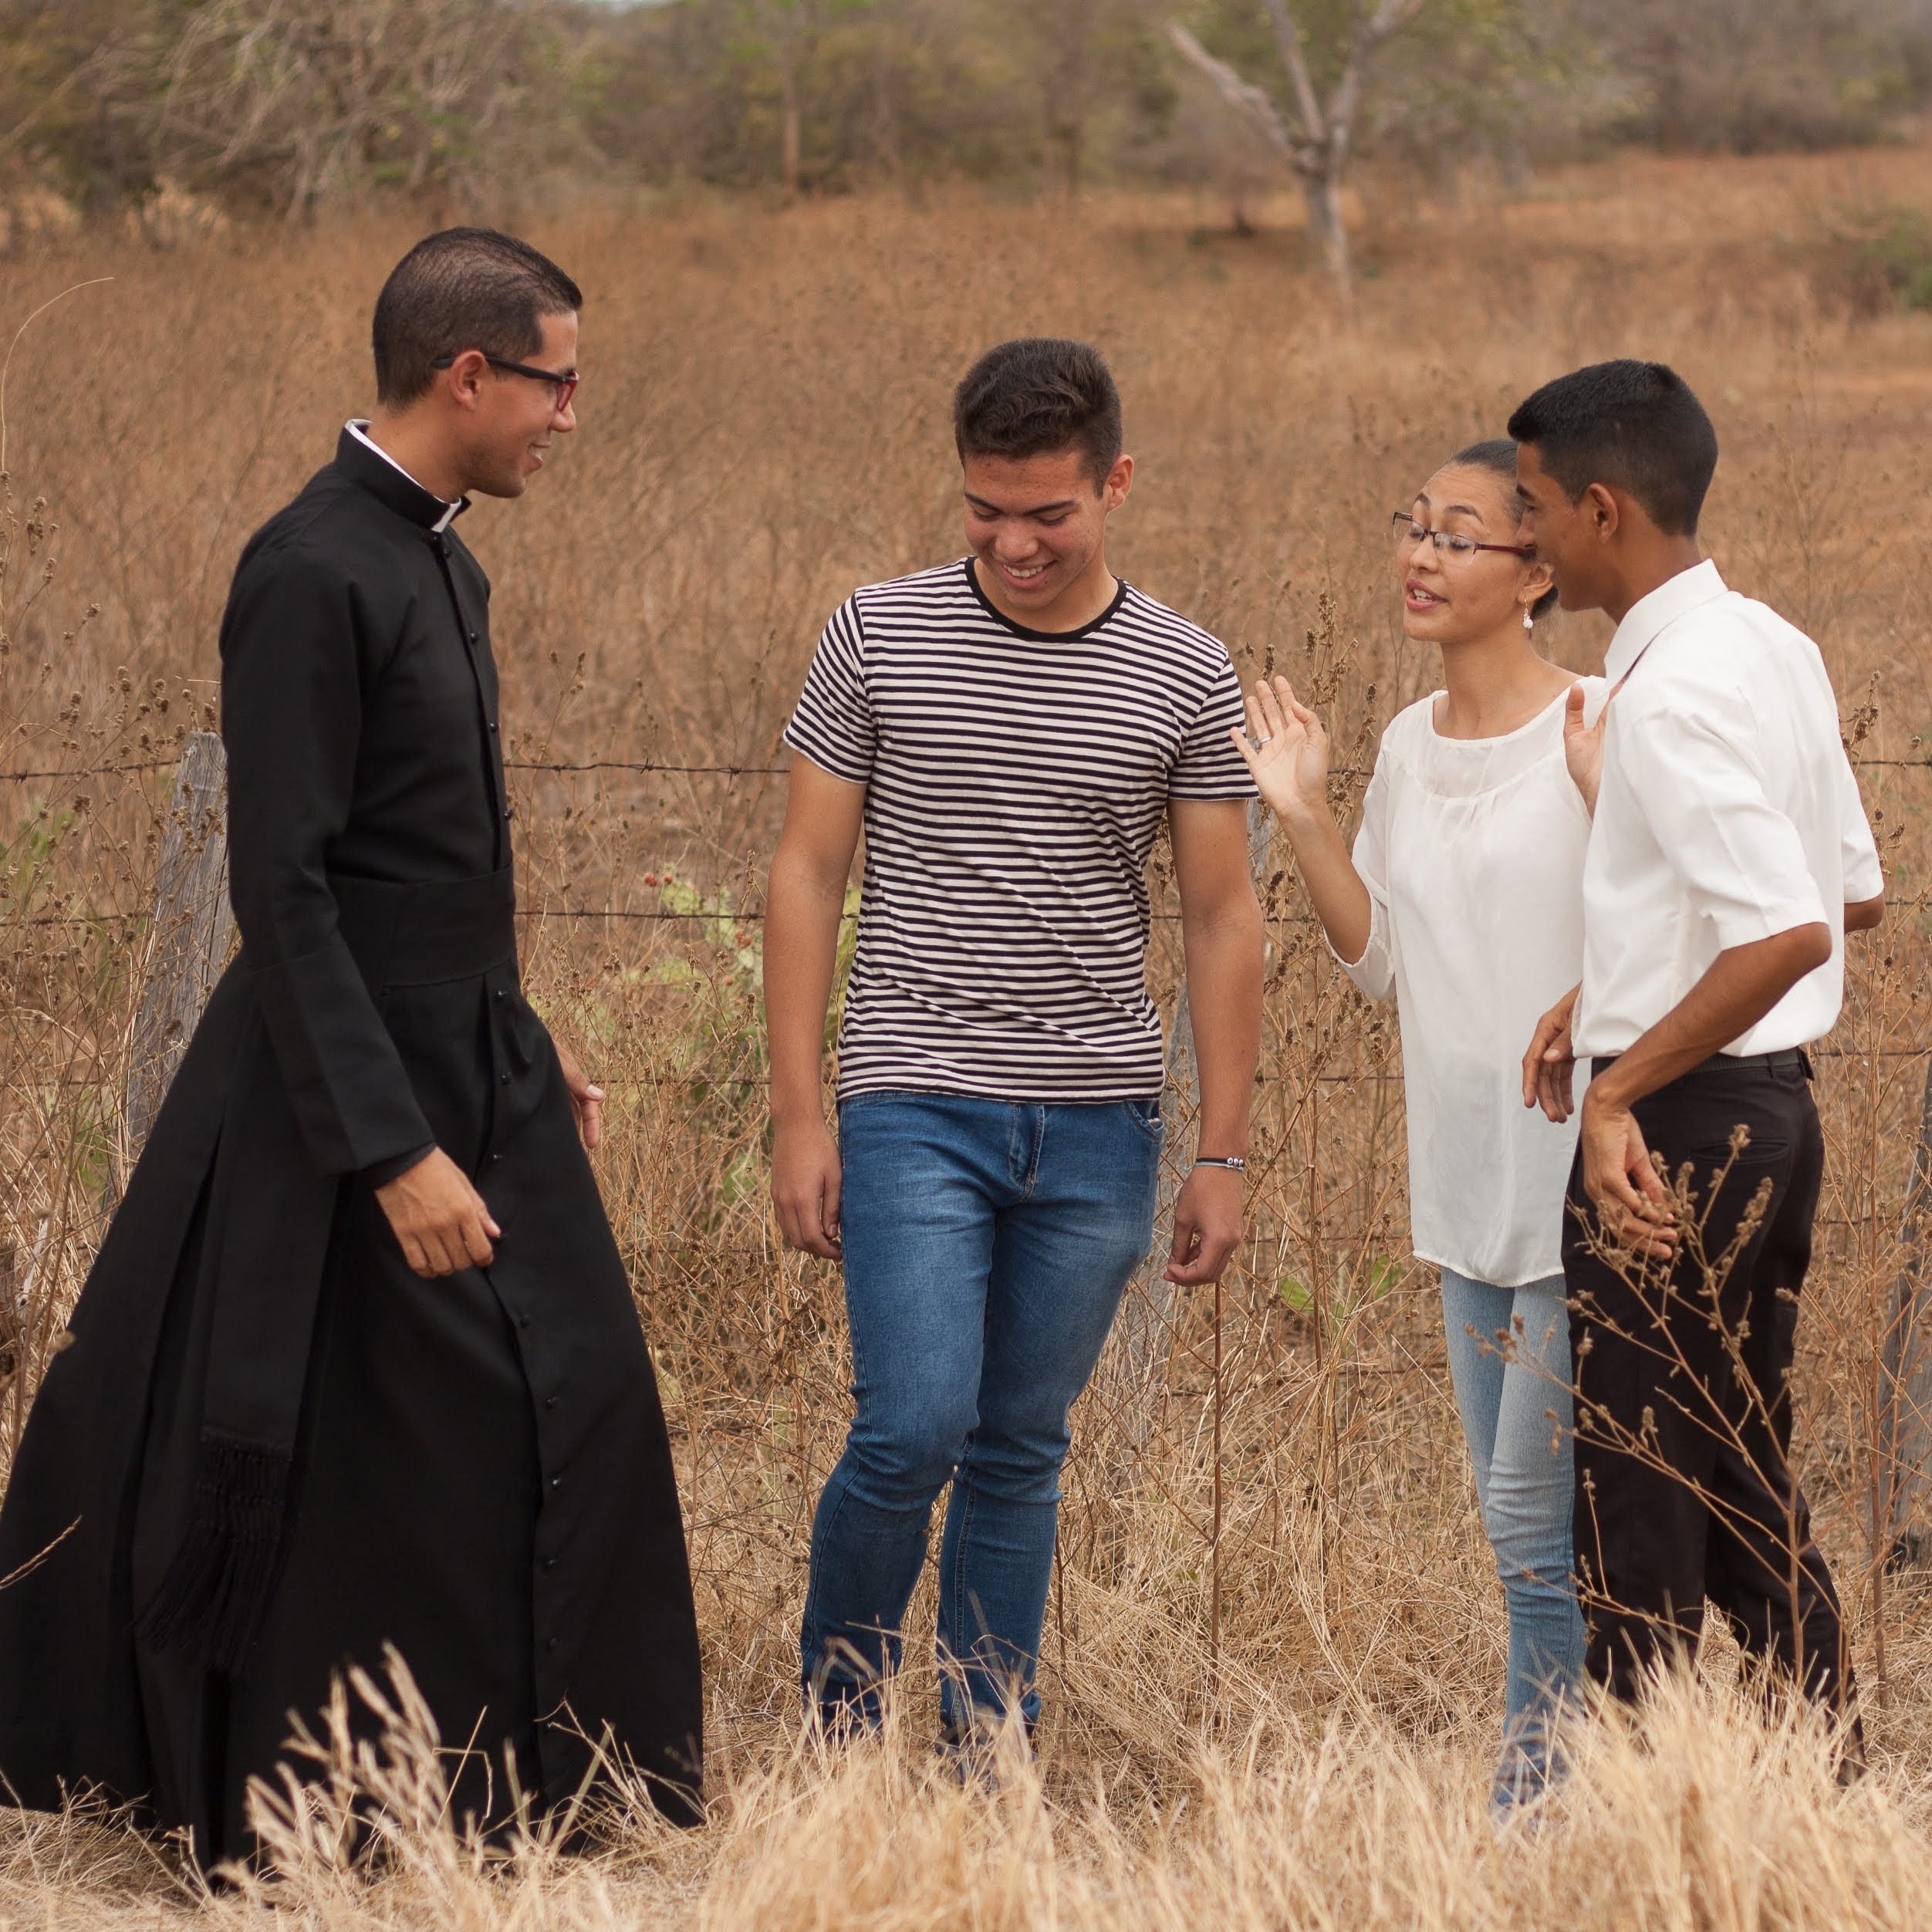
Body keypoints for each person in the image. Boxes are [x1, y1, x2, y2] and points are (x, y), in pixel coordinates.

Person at [0, 229, 704, 1864]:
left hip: (471, 1053)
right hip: (338, 1094)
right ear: (470, 375)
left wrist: (516, 1028)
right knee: (336, 1449)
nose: (571, 416)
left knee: (570, 1399)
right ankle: (319, 1811)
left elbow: (426, 858)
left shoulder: (445, 561)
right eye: (557, 381)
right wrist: (389, 1151)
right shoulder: (310, 567)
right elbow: (286, 887)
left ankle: (528, 1792)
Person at [765, 337, 1264, 1748]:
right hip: (913, 1097)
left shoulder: (1185, 668)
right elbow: (806, 873)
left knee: (1020, 1448)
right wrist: (802, 1115)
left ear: (1115, 484)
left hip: (1102, 1120)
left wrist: (1219, 1148)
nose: (1013, 540)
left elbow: (1223, 919)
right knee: (913, 1424)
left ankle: (991, 1746)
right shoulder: (877, 631)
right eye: (985, 508)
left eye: (1049, 512)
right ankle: (844, 1734)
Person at [1513, 360, 1883, 1746]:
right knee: (1733, 1467)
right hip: (1768, 1117)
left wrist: (1620, 1078)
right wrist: (1615, 970)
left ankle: (1654, 1808)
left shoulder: (1663, 697)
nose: (1527, 535)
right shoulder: (1768, 644)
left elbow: (1788, 928)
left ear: (1602, 508)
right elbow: (1854, 888)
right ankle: (1817, 1779)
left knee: (1637, 1500)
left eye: (1538, 507)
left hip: (1685, 1128)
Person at [1231, 441, 1599, 1811]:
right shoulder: (1400, 741)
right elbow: (1377, 958)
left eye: (1460, 535)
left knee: (1528, 1524)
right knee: (1530, 1530)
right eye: (1413, 527)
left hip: (1578, 1178)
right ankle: (1577, 1785)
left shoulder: (1594, 720)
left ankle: (1535, 1804)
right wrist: (1309, 812)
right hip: (1461, 1186)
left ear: (1540, 568)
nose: (1423, 555)